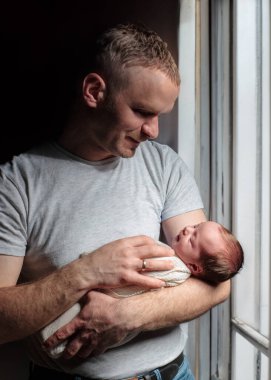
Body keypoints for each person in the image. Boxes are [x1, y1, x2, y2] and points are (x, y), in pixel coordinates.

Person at [0, 23, 231, 380]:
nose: (152, 130)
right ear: (94, 91)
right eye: (141, 111)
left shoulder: (163, 164)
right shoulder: (17, 182)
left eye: (159, 116)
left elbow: (216, 282)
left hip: (174, 372)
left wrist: (125, 316)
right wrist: (86, 271)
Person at [41, 221, 244, 359]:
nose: (187, 229)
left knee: (59, 331)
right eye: (196, 226)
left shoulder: (169, 264)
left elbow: (113, 267)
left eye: (192, 239)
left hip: (105, 302)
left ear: (195, 268)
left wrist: (88, 261)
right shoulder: (183, 270)